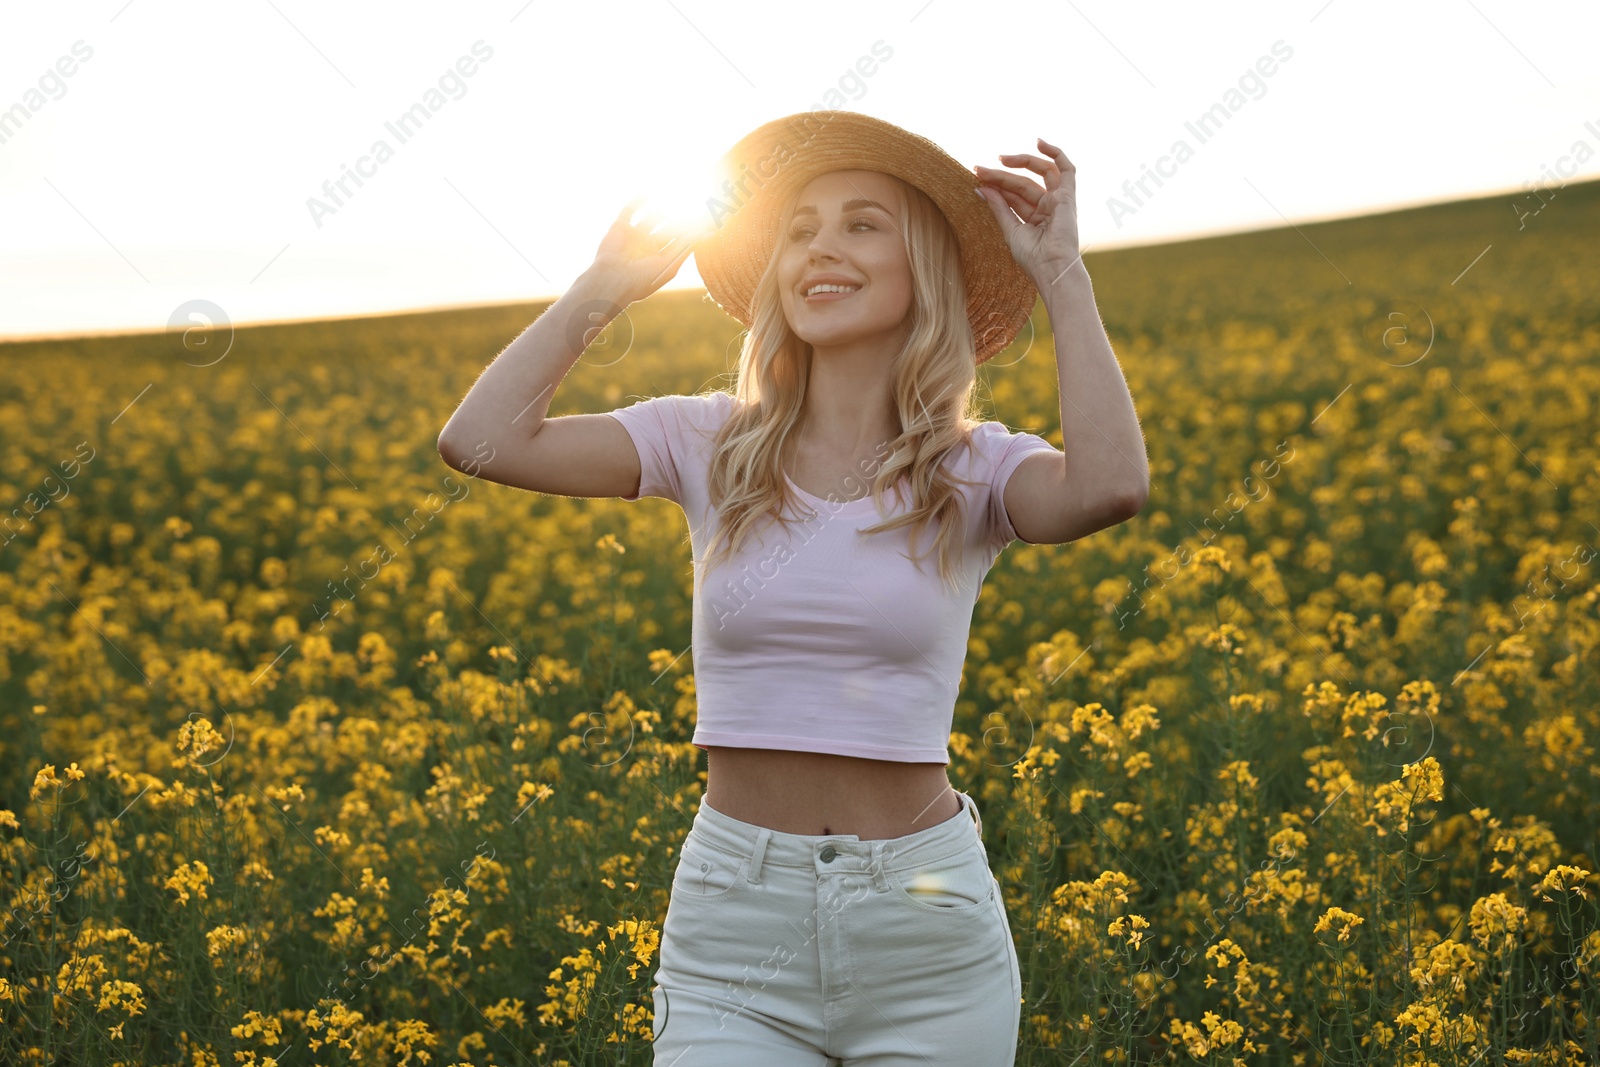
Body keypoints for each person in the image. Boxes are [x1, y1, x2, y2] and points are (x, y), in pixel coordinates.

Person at [437, 110, 1148, 1066]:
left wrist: (1060, 272)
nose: (821, 247)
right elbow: (479, 441)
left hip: (924, 927)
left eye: (863, 223)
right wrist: (602, 290)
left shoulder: (971, 468)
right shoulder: (706, 443)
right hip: (734, 920)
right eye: (799, 228)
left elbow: (1110, 486)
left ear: (923, 269)